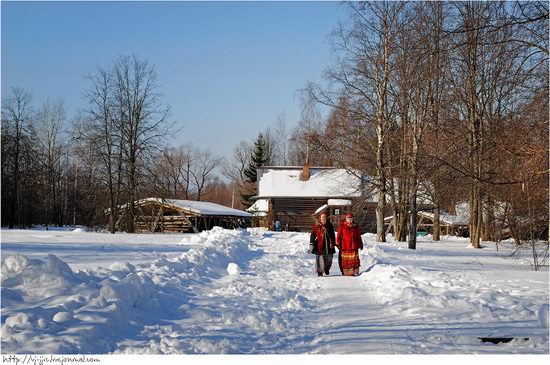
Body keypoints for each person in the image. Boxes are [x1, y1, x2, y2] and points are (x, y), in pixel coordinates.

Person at [336, 212, 364, 276]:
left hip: (354, 246)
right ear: (346, 219)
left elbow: (358, 236)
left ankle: (352, 272)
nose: (350, 220)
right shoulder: (342, 226)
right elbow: (338, 235)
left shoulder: (355, 226)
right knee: (347, 260)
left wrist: (361, 244)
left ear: (353, 219)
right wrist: (338, 243)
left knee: (353, 260)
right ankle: (347, 272)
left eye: (351, 218)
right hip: (345, 246)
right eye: (348, 218)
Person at [309, 211, 336, 277]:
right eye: (322, 218)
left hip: (329, 245)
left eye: (324, 218)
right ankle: (320, 272)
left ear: (326, 218)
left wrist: (334, 243)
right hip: (320, 245)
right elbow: (313, 235)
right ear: (320, 219)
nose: (323, 219)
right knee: (320, 259)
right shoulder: (316, 226)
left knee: (329, 259)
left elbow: (332, 234)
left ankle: (326, 268)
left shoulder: (330, 225)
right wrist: (311, 243)